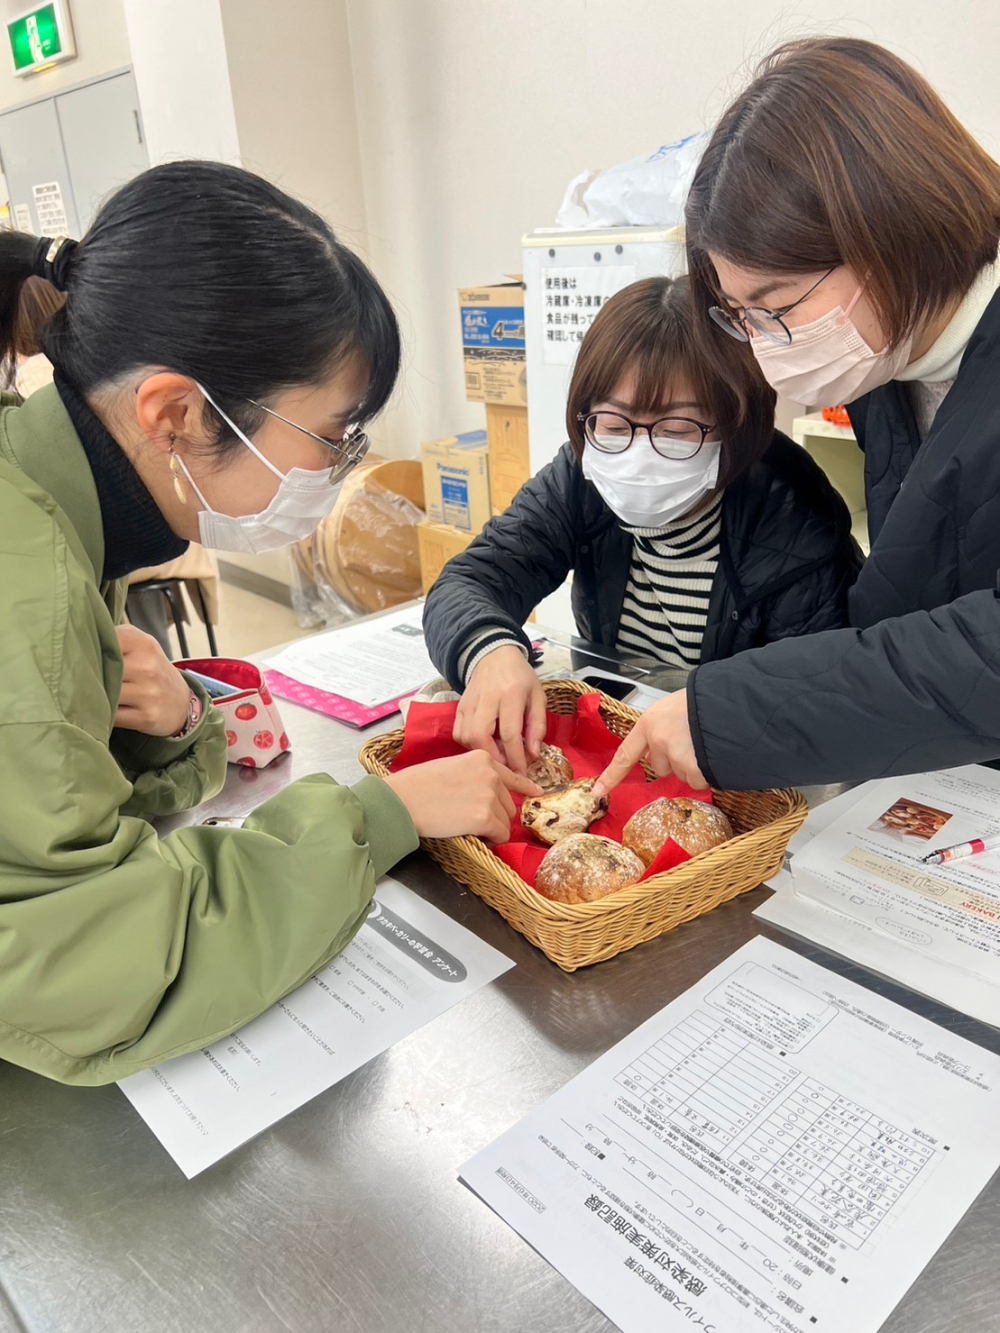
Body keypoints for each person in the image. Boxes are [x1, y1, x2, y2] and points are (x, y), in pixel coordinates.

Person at [0, 161, 536, 1087]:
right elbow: (96, 969)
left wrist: (168, 729)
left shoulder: (56, 511)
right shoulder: (30, 583)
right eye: (332, 436)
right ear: (173, 412)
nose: (338, 470)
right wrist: (381, 813)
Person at [595, 38, 1000, 800]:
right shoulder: (894, 349)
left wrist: (733, 713)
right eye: (740, 314)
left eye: (777, 308)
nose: (764, 345)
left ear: (891, 231)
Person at [423, 276, 861, 774]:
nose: (638, 453)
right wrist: (490, 652)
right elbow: (470, 580)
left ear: (739, 424)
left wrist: (712, 714)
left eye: (678, 429)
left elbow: (823, 690)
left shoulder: (792, 515)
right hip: (615, 745)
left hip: (731, 770)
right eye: (613, 424)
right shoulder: (581, 477)